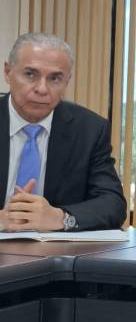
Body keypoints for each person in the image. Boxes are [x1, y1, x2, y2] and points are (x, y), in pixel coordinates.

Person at [0, 33, 126, 232]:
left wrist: (60, 218)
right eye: (30, 74)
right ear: (8, 72)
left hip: (54, 255)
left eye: (55, 78)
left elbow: (112, 204)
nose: (42, 89)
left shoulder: (89, 130)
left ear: (67, 81)